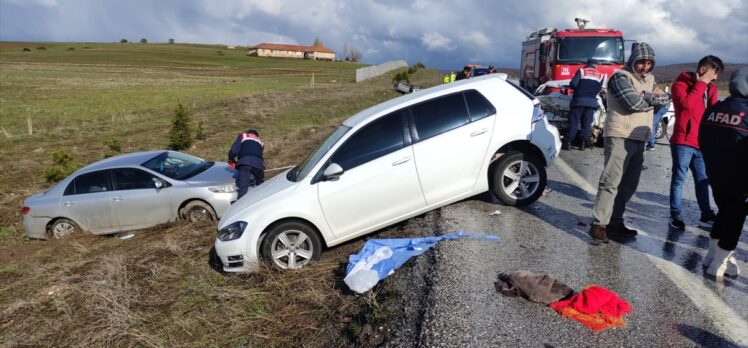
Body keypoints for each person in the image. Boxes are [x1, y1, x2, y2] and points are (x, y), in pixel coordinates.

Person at [588, 42, 670, 243]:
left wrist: (648, 96)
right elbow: (633, 103)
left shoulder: (650, 79)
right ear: (633, 60)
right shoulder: (620, 77)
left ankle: (615, 222)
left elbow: (666, 98)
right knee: (611, 181)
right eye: (641, 62)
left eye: (649, 63)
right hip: (619, 135)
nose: (645, 67)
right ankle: (599, 225)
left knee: (629, 184)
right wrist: (652, 97)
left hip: (639, 137)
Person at [698, 67, 748, 278]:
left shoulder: (716, 108)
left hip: (716, 173)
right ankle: (720, 261)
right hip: (741, 176)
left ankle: (711, 255)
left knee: (723, 212)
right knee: (734, 217)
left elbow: (702, 138)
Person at [668, 55, 723, 230]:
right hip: (683, 141)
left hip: (701, 143)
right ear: (703, 70)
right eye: (714, 73)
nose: (715, 78)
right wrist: (701, 85)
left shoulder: (711, 89)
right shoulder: (680, 85)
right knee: (679, 179)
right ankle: (675, 215)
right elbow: (687, 105)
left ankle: (706, 215)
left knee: (702, 180)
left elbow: (713, 114)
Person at [562, 59, 606, 151]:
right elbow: (598, 89)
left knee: (573, 123)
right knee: (586, 124)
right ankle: (583, 144)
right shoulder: (600, 75)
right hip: (591, 103)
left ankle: (568, 143)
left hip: (578, 101)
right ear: (595, 65)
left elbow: (573, 85)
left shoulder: (581, 71)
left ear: (587, 64)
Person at [228, 129, 265, 199]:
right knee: (261, 186)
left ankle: (241, 207)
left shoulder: (243, 136)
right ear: (256, 135)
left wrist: (231, 159)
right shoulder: (261, 141)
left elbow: (233, 151)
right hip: (259, 165)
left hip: (245, 163)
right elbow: (259, 154)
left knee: (243, 188)